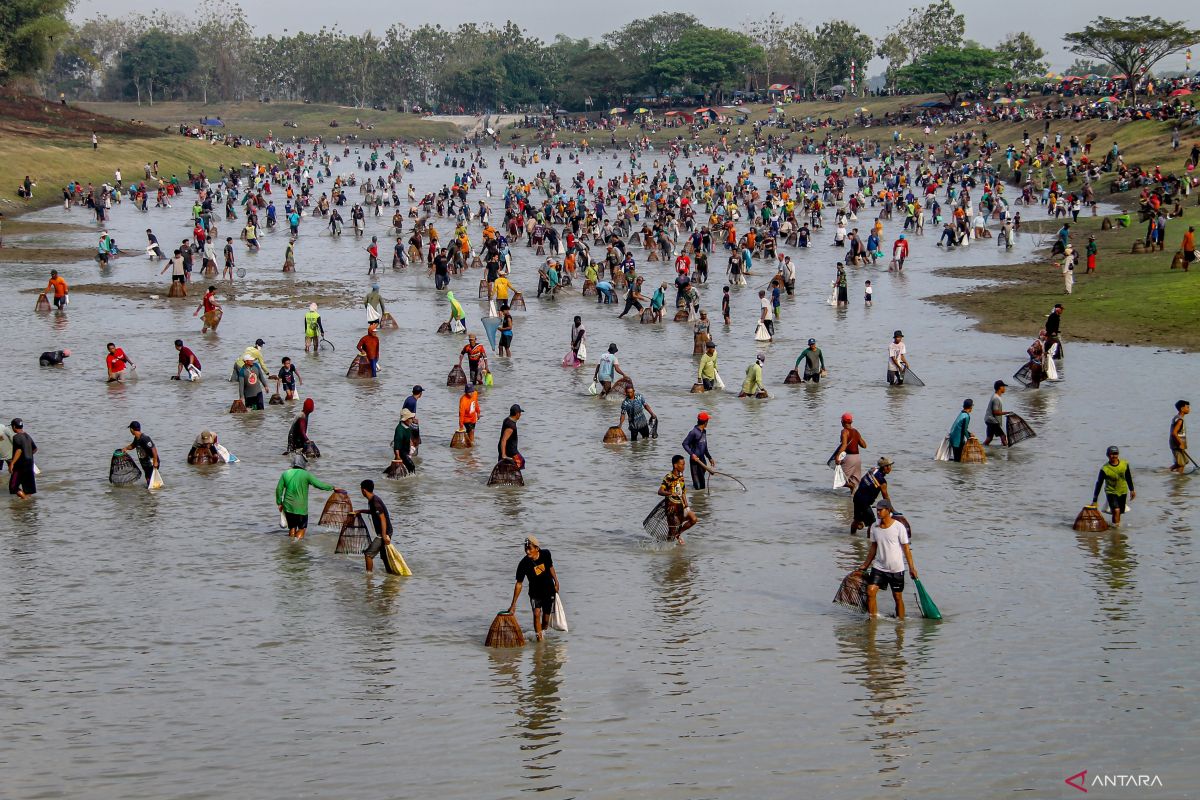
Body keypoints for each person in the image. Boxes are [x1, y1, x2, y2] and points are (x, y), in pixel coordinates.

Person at [858, 503, 919, 619]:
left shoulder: (898, 527)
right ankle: (873, 620)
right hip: (879, 567)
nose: (878, 512)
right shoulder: (874, 527)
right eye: (877, 510)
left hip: (896, 569)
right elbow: (873, 548)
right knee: (870, 591)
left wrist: (912, 568)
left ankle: (900, 623)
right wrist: (865, 565)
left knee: (897, 597)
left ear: (888, 510)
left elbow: (906, 548)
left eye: (881, 510)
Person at [507, 536, 560, 642]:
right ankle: (539, 641)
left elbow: (550, 567)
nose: (527, 551)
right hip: (535, 593)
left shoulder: (546, 554)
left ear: (537, 548)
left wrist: (556, 581)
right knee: (536, 613)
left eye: (529, 549)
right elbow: (519, 584)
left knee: (545, 620)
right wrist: (513, 605)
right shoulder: (523, 564)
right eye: (525, 548)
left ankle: (542, 633)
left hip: (548, 590)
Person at [275, 453, 336, 540]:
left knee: (292, 527)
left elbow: (278, 489)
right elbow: (319, 485)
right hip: (300, 508)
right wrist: (332, 487)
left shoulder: (285, 473)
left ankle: (290, 545)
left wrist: (279, 503)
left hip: (288, 506)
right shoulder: (306, 474)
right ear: (303, 464)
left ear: (293, 463)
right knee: (302, 528)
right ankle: (296, 545)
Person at [658, 454, 698, 543]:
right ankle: (667, 548)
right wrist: (671, 493)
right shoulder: (669, 477)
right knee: (671, 531)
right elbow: (660, 491)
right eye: (682, 464)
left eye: (684, 464)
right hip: (672, 509)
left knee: (694, 519)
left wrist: (686, 505)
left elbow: (683, 491)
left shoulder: (681, 477)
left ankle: (678, 534)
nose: (684, 467)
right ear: (675, 465)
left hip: (681, 506)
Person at [1092, 446, 1135, 526]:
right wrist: (1095, 499)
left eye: (1115, 454)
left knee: (1119, 512)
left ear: (1118, 454)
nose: (1114, 456)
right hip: (1111, 491)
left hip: (1123, 491)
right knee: (1116, 510)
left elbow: (1128, 477)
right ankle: (1116, 531)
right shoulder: (1105, 469)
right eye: (1111, 454)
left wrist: (1132, 490)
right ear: (1108, 455)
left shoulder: (1124, 464)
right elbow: (1099, 483)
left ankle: (1114, 527)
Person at [851, 457, 893, 535]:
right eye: (890, 466)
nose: (891, 468)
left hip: (857, 497)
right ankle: (870, 542)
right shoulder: (882, 481)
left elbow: (864, 481)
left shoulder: (872, 470)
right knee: (872, 524)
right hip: (864, 502)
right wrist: (891, 509)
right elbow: (885, 497)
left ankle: (852, 536)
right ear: (885, 467)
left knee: (856, 520)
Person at [358, 479, 393, 572]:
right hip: (385, 531)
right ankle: (391, 575)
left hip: (384, 533)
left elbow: (383, 519)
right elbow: (373, 512)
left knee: (368, 554)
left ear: (363, 490)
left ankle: (369, 577)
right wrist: (360, 511)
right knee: (385, 557)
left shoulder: (375, 502)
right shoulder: (372, 500)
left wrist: (384, 535)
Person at [682, 412, 715, 490]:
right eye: (707, 421)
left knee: (703, 486)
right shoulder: (693, 432)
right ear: (705, 422)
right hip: (695, 462)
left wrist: (709, 457)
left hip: (702, 460)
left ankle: (700, 500)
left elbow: (704, 446)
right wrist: (692, 454)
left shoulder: (704, 431)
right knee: (697, 486)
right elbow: (685, 444)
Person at [834, 413, 866, 491]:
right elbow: (864, 445)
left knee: (840, 480)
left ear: (842, 422)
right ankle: (852, 500)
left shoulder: (844, 431)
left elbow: (844, 445)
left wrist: (837, 456)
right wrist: (857, 438)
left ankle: (851, 486)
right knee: (855, 482)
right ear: (851, 421)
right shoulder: (856, 431)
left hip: (849, 457)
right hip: (857, 458)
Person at [122, 421, 160, 487]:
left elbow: (153, 449)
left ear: (132, 429)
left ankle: (152, 492)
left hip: (151, 462)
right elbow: (132, 445)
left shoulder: (145, 438)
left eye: (130, 429)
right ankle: (150, 492)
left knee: (150, 480)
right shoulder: (137, 438)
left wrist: (155, 461)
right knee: (148, 478)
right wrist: (126, 448)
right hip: (145, 463)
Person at [7, 419, 37, 499]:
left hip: (20, 465)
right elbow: (35, 449)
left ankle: (25, 500)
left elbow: (19, 450)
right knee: (28, 488)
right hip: (30, 463)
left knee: (13, 487)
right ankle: (27, 505)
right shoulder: (28, 436)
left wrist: (12, 463)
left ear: (14, 427)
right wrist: (28, 455)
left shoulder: (16, 437)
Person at [983, 381, 1010, 446]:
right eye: (1003, 387)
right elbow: (995, 412)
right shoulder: (996, 398)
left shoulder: (996, 396)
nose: (1004, 388)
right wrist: (1007, 413)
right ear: (1000, 387)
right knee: (1003, 436)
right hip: (992, 420)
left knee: (989, 438)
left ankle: (981, 448)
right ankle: (1007, 451)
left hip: (989, 419)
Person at [498, 404, 524, 469]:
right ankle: (511, 473)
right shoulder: (511, 426)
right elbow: (504, 440)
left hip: (506, 449)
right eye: (520, 413)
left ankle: (507, 474)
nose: (521, 415)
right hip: (511, 451)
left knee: (503, 467)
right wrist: (503, 455)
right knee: (521, 462)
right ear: (517, 414)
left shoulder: (507, 419)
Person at [392, 409, 418, 473]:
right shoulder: (400, 430)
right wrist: (398, 457)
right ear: (406, 419)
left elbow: (409, 437)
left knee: (404, 469)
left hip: (406, 450)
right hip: (401, 451)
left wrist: (411, 443)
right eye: (410, 418)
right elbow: (397, 445)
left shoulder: (407, 426)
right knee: (411, 466)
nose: (412, 420)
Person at [1169, 399, 1190, 473]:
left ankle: (1179, 478)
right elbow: (1174, 433)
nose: (1189, 409)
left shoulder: (1178, 417)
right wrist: (1181, 443)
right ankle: (1166, 472)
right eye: (1187, 407)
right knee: (1180, 463)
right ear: (1182, 409)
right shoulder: (1180, 420)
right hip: (1177, 445)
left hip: (1178, 444)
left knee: (1183, 463)